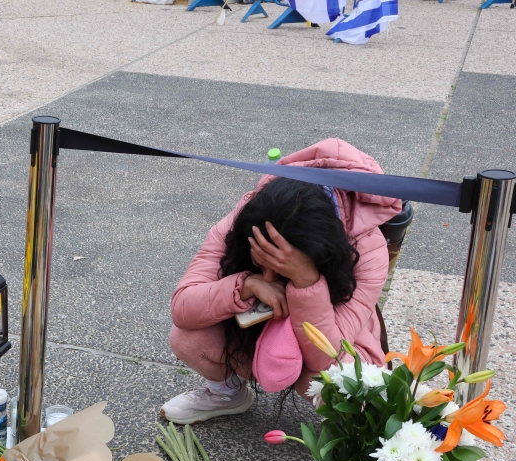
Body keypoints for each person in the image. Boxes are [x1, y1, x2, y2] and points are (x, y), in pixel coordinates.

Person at [161, 139, 400, 425]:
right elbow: (183, 306)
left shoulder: (368, 247)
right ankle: (227, 394)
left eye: (281, 268)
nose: (272, 278)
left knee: (338, 385)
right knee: (188, 337)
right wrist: (246, 284)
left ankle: (349, 432)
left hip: (336, 339)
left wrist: (306, 282)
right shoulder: (250, 216)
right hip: (257, 332)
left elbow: (327, 357)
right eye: (261, 261)